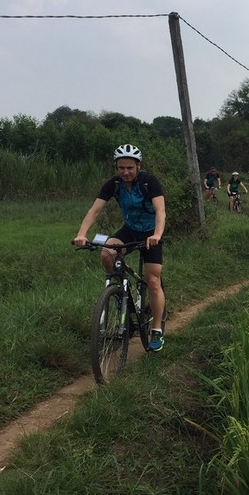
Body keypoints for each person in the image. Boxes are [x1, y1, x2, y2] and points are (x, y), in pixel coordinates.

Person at [73, 144, 167, 352]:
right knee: (107, 253)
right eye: (121, 167)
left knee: (152, 281)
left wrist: (157, 235)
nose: (125, 172)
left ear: (138, 166)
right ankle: (119, 291)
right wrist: (82, 234)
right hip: (130, 230)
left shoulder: (149, 182)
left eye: (130, 168)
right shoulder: (113, 184)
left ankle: (157, 329)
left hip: (151, 233)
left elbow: (160, 210)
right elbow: (95, 210)